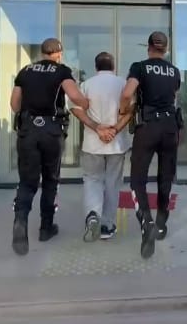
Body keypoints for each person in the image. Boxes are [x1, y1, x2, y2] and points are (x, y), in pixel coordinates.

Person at [9, 38, 89, 256]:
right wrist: (86, 103)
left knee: (27, 182)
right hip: (51, 131)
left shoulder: (25, 71)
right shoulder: (61, 71)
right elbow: (74, 96)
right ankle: (46, 227)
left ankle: (20, 220)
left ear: (43, 52)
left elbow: (14, 105)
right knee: (50, 179)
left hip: (28, 131)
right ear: (59, 53)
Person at [119, 31, 182, 259]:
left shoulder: (139, 67)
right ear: (165, 49)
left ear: (148, 47)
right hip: (170, 127)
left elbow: (127, 92)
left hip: (147, 127)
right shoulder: (174, 71)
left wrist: (123, 109)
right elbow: (173, 95)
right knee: (165, 178)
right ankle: (162, 224)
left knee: (138, 179)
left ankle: (147, 222)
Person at [70, 52, 133, 242]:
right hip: (117, 144)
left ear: (96, 67)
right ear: (113, 66)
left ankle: (92, 215)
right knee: (113, 183)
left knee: (92, 180)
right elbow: (130, 111)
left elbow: (75, 108)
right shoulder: (123, 84)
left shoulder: (86, 85)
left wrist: (97, 128)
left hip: (92, 143)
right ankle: (107, 225)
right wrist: (114, 130)